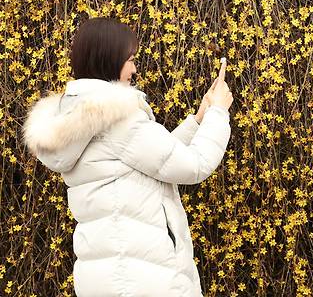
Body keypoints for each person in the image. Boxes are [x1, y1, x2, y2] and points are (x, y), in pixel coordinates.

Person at [23, 17, 233, 297]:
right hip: (141, 279)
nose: (134, 69)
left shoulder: (78, 115)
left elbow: (151, 161)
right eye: (130, 60)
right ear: (108, 59)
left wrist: (198, 119)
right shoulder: (117, 119)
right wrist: (219, 112)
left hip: (107, 276)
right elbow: (194, 165)